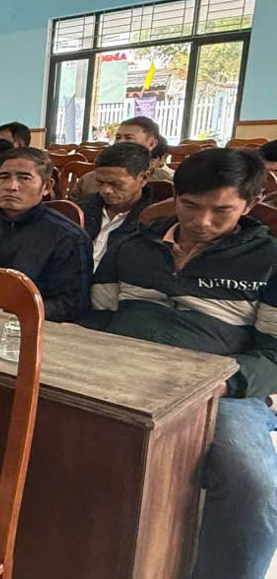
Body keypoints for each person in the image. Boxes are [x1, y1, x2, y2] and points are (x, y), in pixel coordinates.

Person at [82, 148, 277, 579]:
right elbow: (97, 316)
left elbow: (273, 356)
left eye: (221, 211)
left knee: (252, 483)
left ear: (251, 203)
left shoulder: (269, 261)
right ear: (175, 196)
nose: (202, 221)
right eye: (190, 205)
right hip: (119, 372)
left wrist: (217, 383)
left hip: (224, 391)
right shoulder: (132, 247)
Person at [0, 148, 92, 322]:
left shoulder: (69, 237)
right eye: (4, 177)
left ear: (46, 187)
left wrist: (11, 313)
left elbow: (71, 304)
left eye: (24, 178)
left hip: (35, 325)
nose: (11, 186)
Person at [79, 142, 156, 270]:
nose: (106, 190)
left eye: (116, 184)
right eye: (100, 182)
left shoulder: (153, 221)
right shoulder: (80, 212)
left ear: (144, 177)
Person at [70, 116, 172, 202]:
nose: (120, 142)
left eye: (129, 138)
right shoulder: (88, 180)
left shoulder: (164, 182)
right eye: (118, 137)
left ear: (151, 143)